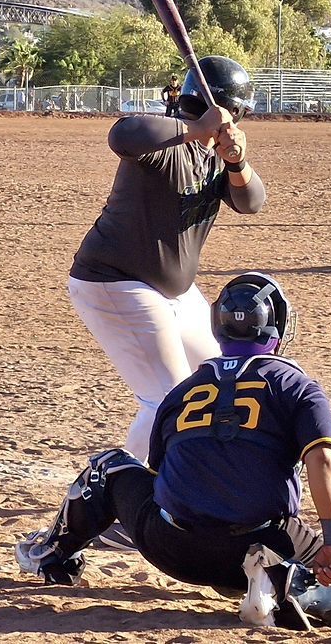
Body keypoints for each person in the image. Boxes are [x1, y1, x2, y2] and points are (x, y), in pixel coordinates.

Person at [15, 272, 331, 632]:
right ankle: (290, 586)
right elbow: (323, 459)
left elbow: (160, 477)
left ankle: (52, 556)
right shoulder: (297, 386)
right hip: (261, 544)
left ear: (218, 326)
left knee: (108, 467)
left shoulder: (182, 391)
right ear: (279, 326)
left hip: (169, 548)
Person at [68, 56, 263, 464]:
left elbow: (251, 202)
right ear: (234, 109)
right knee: (168, 400)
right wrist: (196, 129)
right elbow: (122, 134)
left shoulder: (215, 156)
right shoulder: (168, 145)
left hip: (173, 292)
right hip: (115, 282)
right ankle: (120, 491)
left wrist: (237, 160)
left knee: (222, 376)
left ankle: (205, 477)